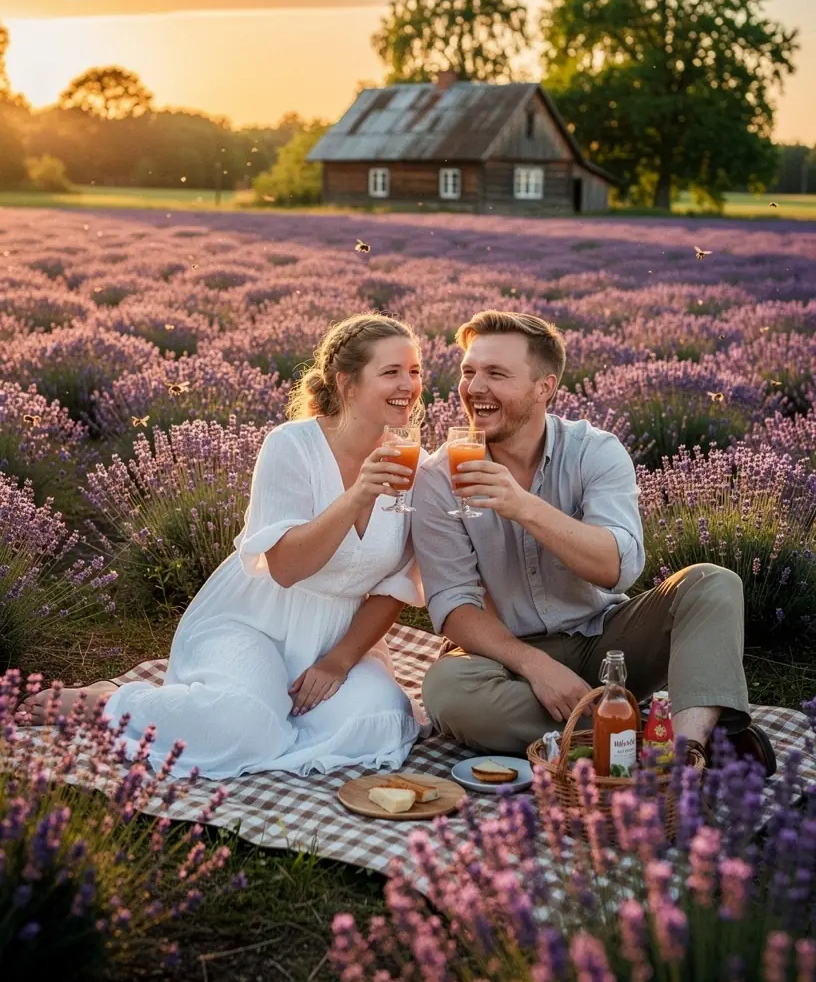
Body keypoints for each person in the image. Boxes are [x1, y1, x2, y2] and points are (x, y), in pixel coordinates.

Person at [27, 314, 427, 779]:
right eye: (392, 371)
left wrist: (339, 662)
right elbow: (285, 568)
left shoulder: (412, 459)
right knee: (242, 722)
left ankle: (272, 714)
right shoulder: (291, 446)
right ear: (348, 384)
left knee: (383, 721)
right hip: (253, 622)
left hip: (336, 636)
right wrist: (358, 495)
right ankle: (112, 705)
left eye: (415, 370)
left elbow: (394, 586)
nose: (409, 384)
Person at [411, 310, 775, 774]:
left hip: (607, 638)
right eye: (469, 372)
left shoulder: (594, 451)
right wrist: (534, 666)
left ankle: (679, 757)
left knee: (712, 583)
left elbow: (617, 568)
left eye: (496, 374)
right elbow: (453, 605)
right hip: (508, 655)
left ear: (545, 386)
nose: (475, 388)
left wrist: (521, 505)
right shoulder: (439, 477)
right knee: (448, 692)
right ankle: (667, 746)